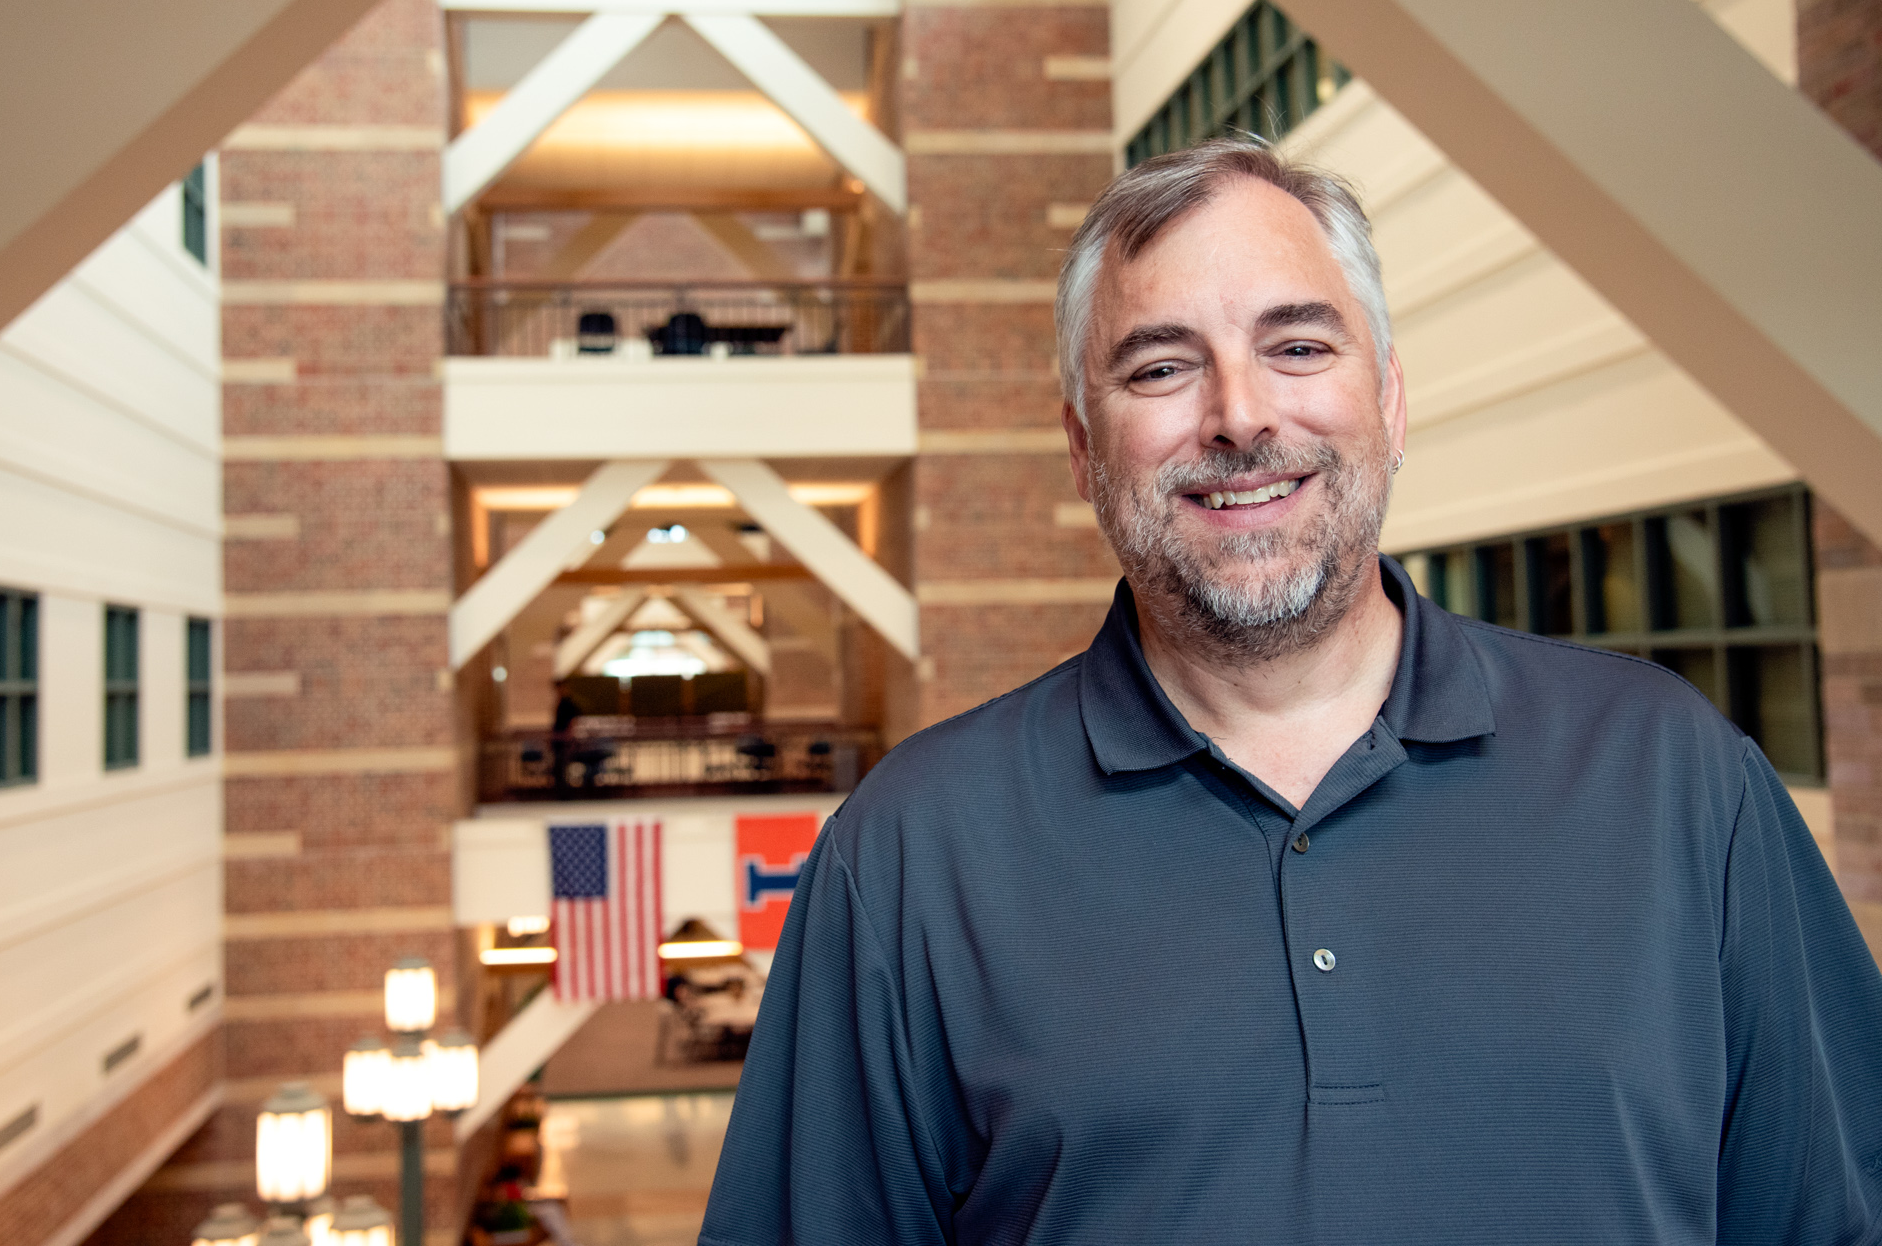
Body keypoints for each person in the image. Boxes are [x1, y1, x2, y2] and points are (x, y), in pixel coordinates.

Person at [698, 138, 1882, 1244]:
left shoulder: (1673, 775)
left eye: (1298, 346)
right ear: (1080, 448)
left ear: (1391, 401)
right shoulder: (908, 855)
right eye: (1161, 366)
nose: (1241, 414)